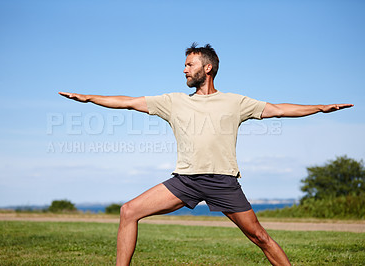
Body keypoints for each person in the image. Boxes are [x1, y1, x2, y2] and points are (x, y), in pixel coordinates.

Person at [59, 43, 353, 266]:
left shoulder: (235, 102)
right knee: (128, 211)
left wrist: (319, 107)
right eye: (185, 65)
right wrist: (89, 98)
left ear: (207, 68)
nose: (184, 70)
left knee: (259, 237)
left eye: (189, 65)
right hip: (185, 180)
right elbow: (128, 102)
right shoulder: (172, 102)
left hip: (222, 181)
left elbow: (278, 110)